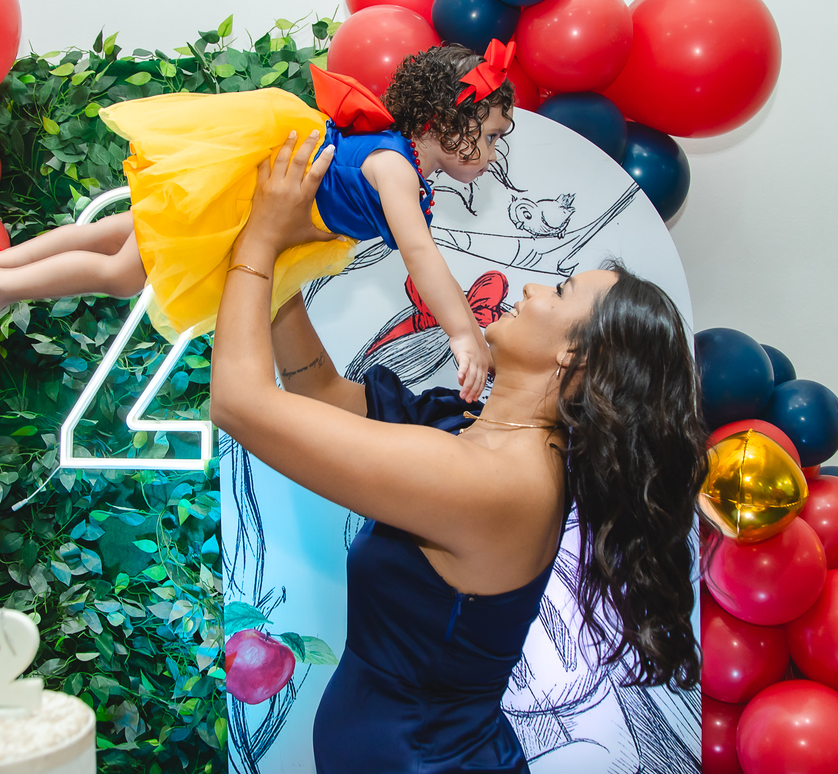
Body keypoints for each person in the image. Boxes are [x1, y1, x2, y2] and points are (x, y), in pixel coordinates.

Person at [211, 133, 710, 772]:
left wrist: (256, 241)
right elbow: (322, 393)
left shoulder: (498, 483)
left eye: (559, 292)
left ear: (575, 356)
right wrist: (280, 261)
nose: (531, 290)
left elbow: (238, 403)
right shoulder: (468, 425)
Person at [0, 41, 517, 401]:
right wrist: (462, 332)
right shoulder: (396, 167)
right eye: (490, 136)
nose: (492, 156)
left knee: (119, 230)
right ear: (446, 119)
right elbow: (421, 255)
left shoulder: (397, 157)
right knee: (124, 274)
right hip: (236, 208)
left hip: (238, 199)